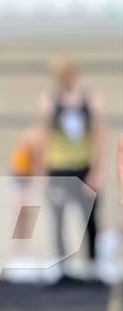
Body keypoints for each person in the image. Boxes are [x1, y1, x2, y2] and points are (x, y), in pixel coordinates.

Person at [37, 56, 106, 277]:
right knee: (58, 217)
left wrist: (95, 171)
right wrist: (42, 173)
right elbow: (43, 137)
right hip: (59, 168)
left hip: (83, 167)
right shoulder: (50, 101)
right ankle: (62, 267)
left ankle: (94, 265)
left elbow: (98, 136)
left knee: (91, 217)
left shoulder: (91, 100)